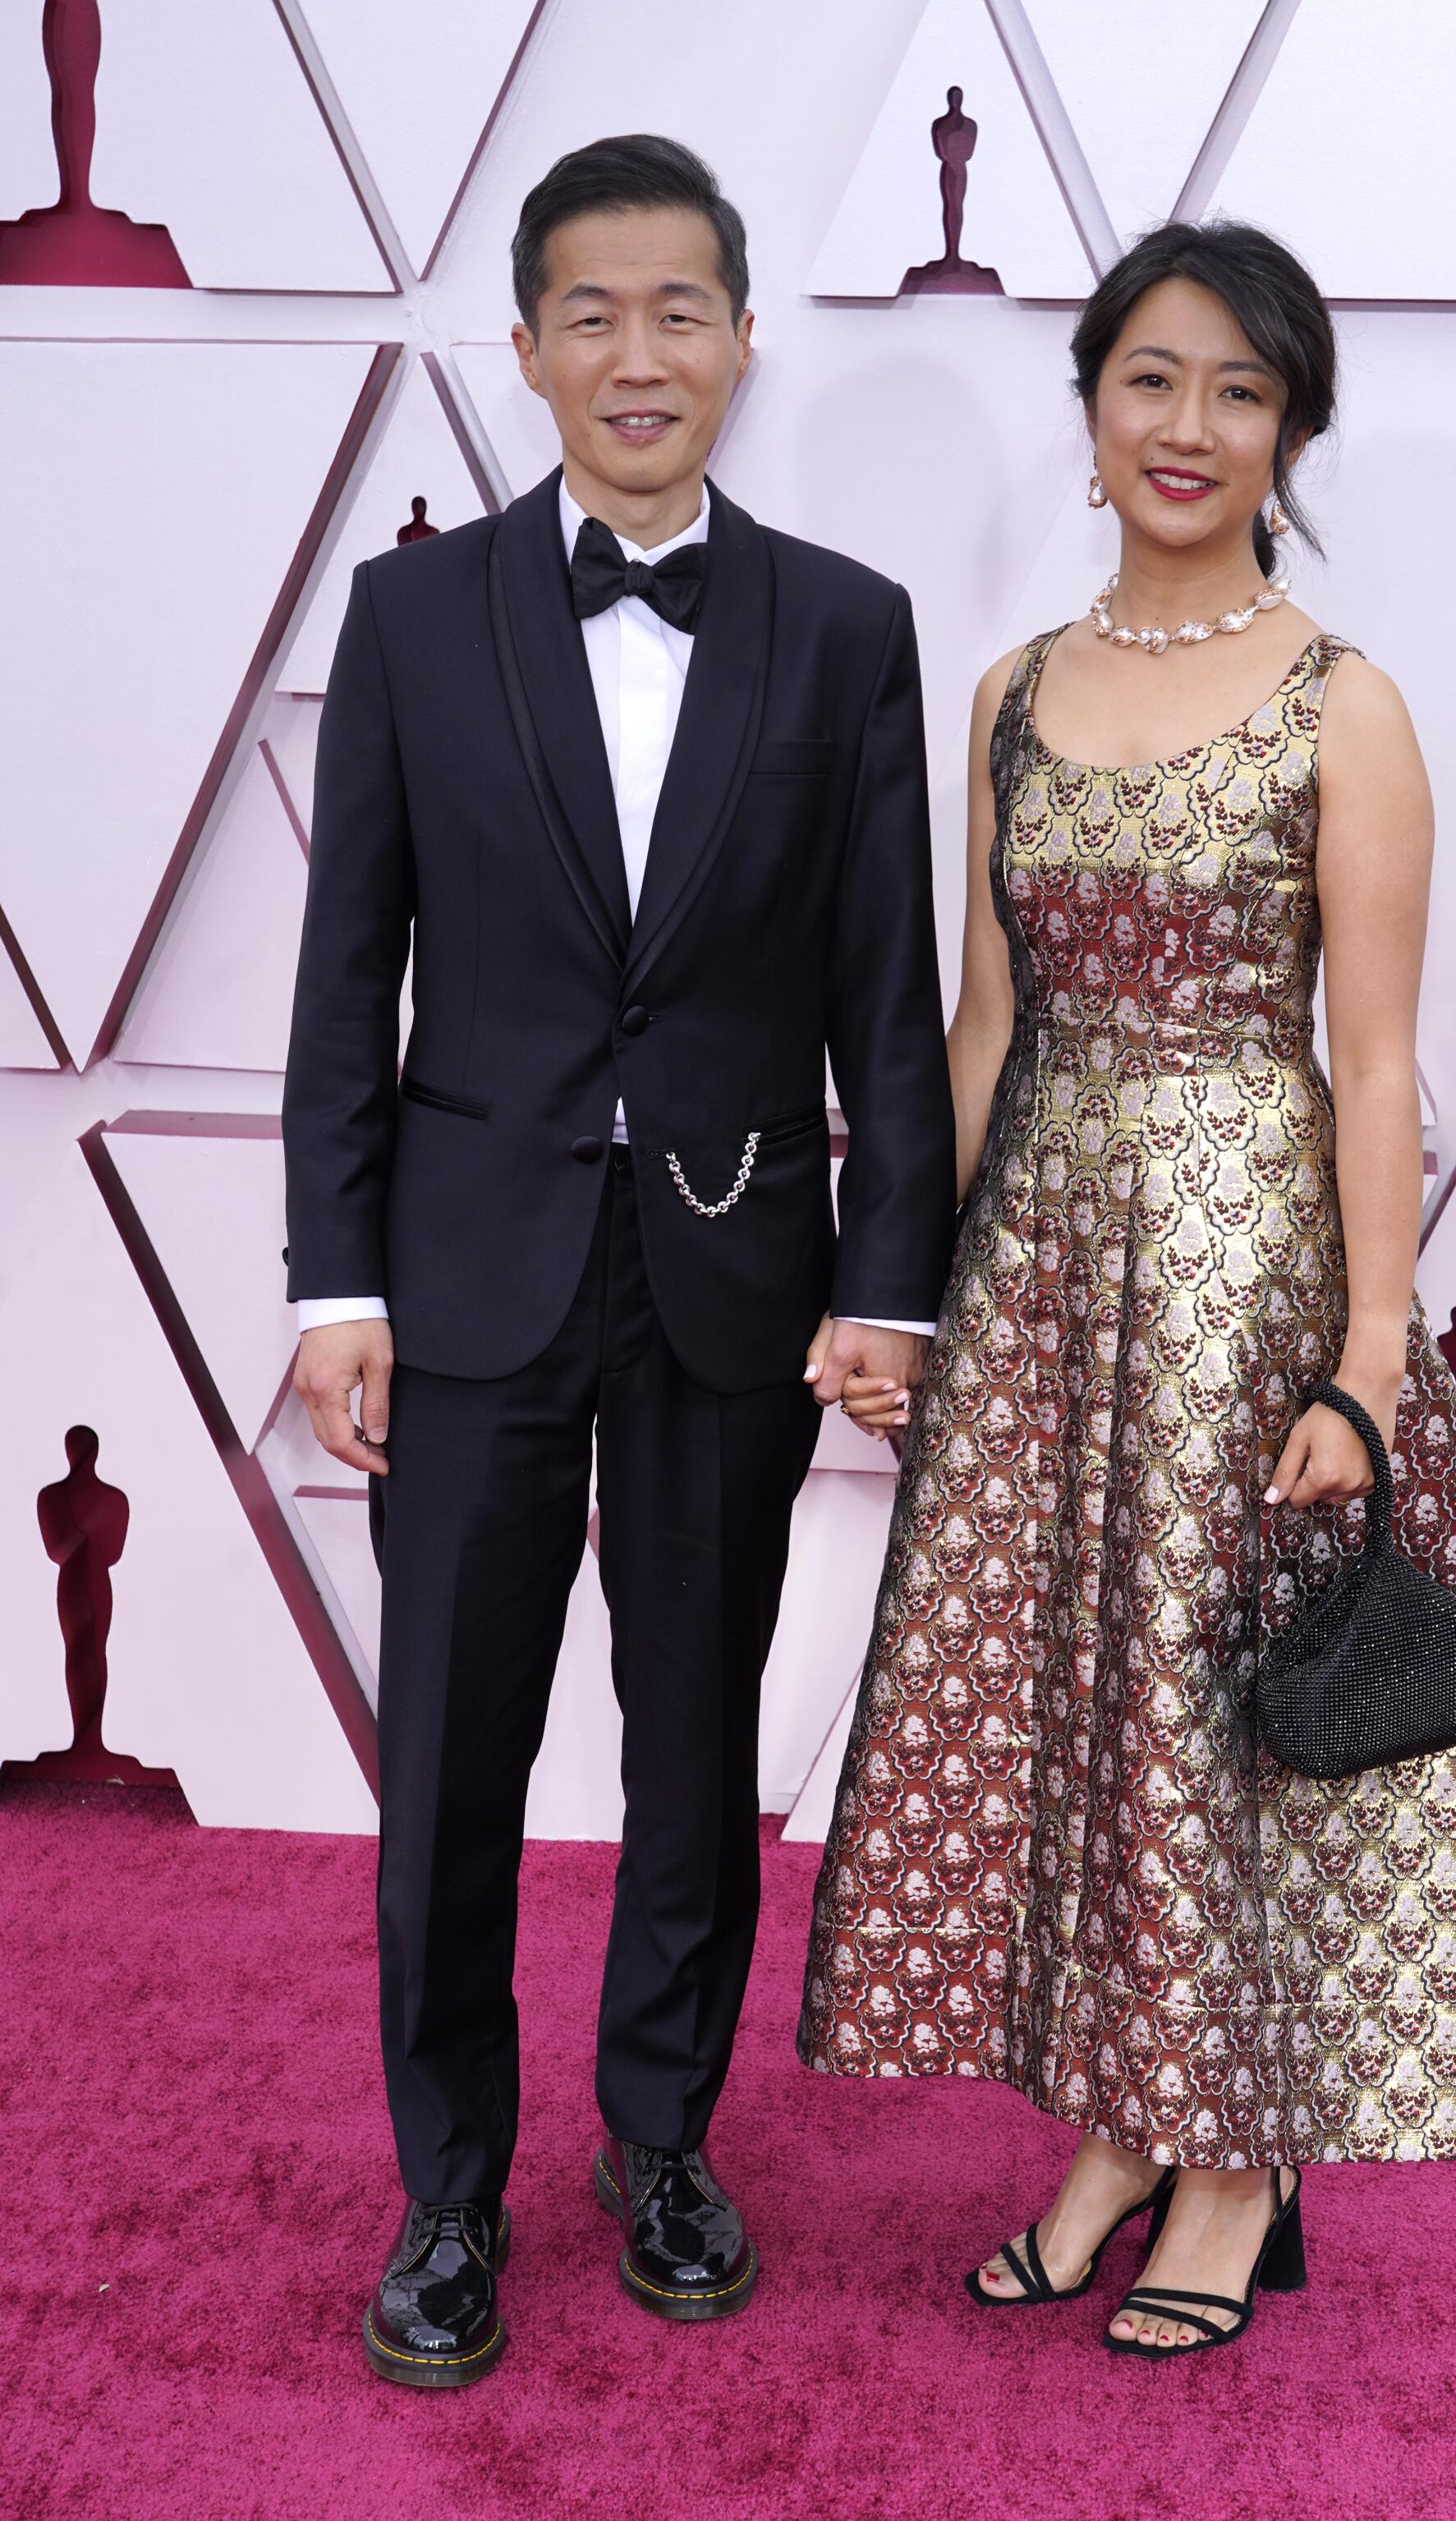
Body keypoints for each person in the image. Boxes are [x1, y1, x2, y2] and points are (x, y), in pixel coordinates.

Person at [800, 220, 1456, 2358]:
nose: (1188, 425)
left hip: (1247, 1274)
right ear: (1094, 403)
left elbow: (1378, 1059)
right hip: (1041, 1271)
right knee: (1079, 1706)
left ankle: (1231, 2160)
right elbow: (979, 1027)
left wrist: (1372, 1367)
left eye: (1237, 387)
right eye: (1152, 378)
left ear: (1289, 425)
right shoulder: (1014, 690)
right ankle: (1118, 2124)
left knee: (1222, 1716)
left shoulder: (1346, 705)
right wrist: (902, 1290)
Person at [282, 134, 953, 2384]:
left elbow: (885, 991)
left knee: (693, 1739)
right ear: (529, 343)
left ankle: (658, 2134)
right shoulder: (408, 615)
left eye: (683, 313)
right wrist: (329, 1279)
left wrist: (889, 1277)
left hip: (735, 1274)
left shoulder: (848, 626)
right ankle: (446, 2192)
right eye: (596, 312)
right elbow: (342, 974)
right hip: (462, 1281)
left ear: (747, 341)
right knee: (452, 1766)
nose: (640, 354)